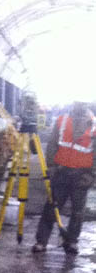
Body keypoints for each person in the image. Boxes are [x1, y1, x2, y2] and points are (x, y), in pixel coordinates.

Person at [32, 101, 95, 254]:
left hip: (81, 175)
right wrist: (52, 167)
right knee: (52, 207)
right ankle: (42, 241)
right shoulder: (62, 121)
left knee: (78, 211)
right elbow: (53, 145)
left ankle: (72, 241)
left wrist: (92, 175)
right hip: (61, 172)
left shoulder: (94, 125)